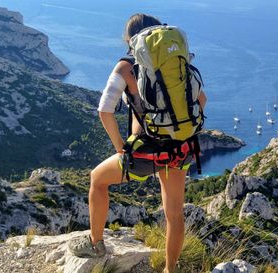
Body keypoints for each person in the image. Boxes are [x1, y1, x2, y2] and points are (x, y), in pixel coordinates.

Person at [69, 13, 206, 273]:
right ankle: (170, 269)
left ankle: (96, 244)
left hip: (145, 153)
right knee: (174, 215)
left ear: (130, 40)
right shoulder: (176, 63)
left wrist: (120, 145)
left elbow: (104, 110)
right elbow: (202, 101)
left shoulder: (125, 67)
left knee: (97, 179)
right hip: (181, 150)